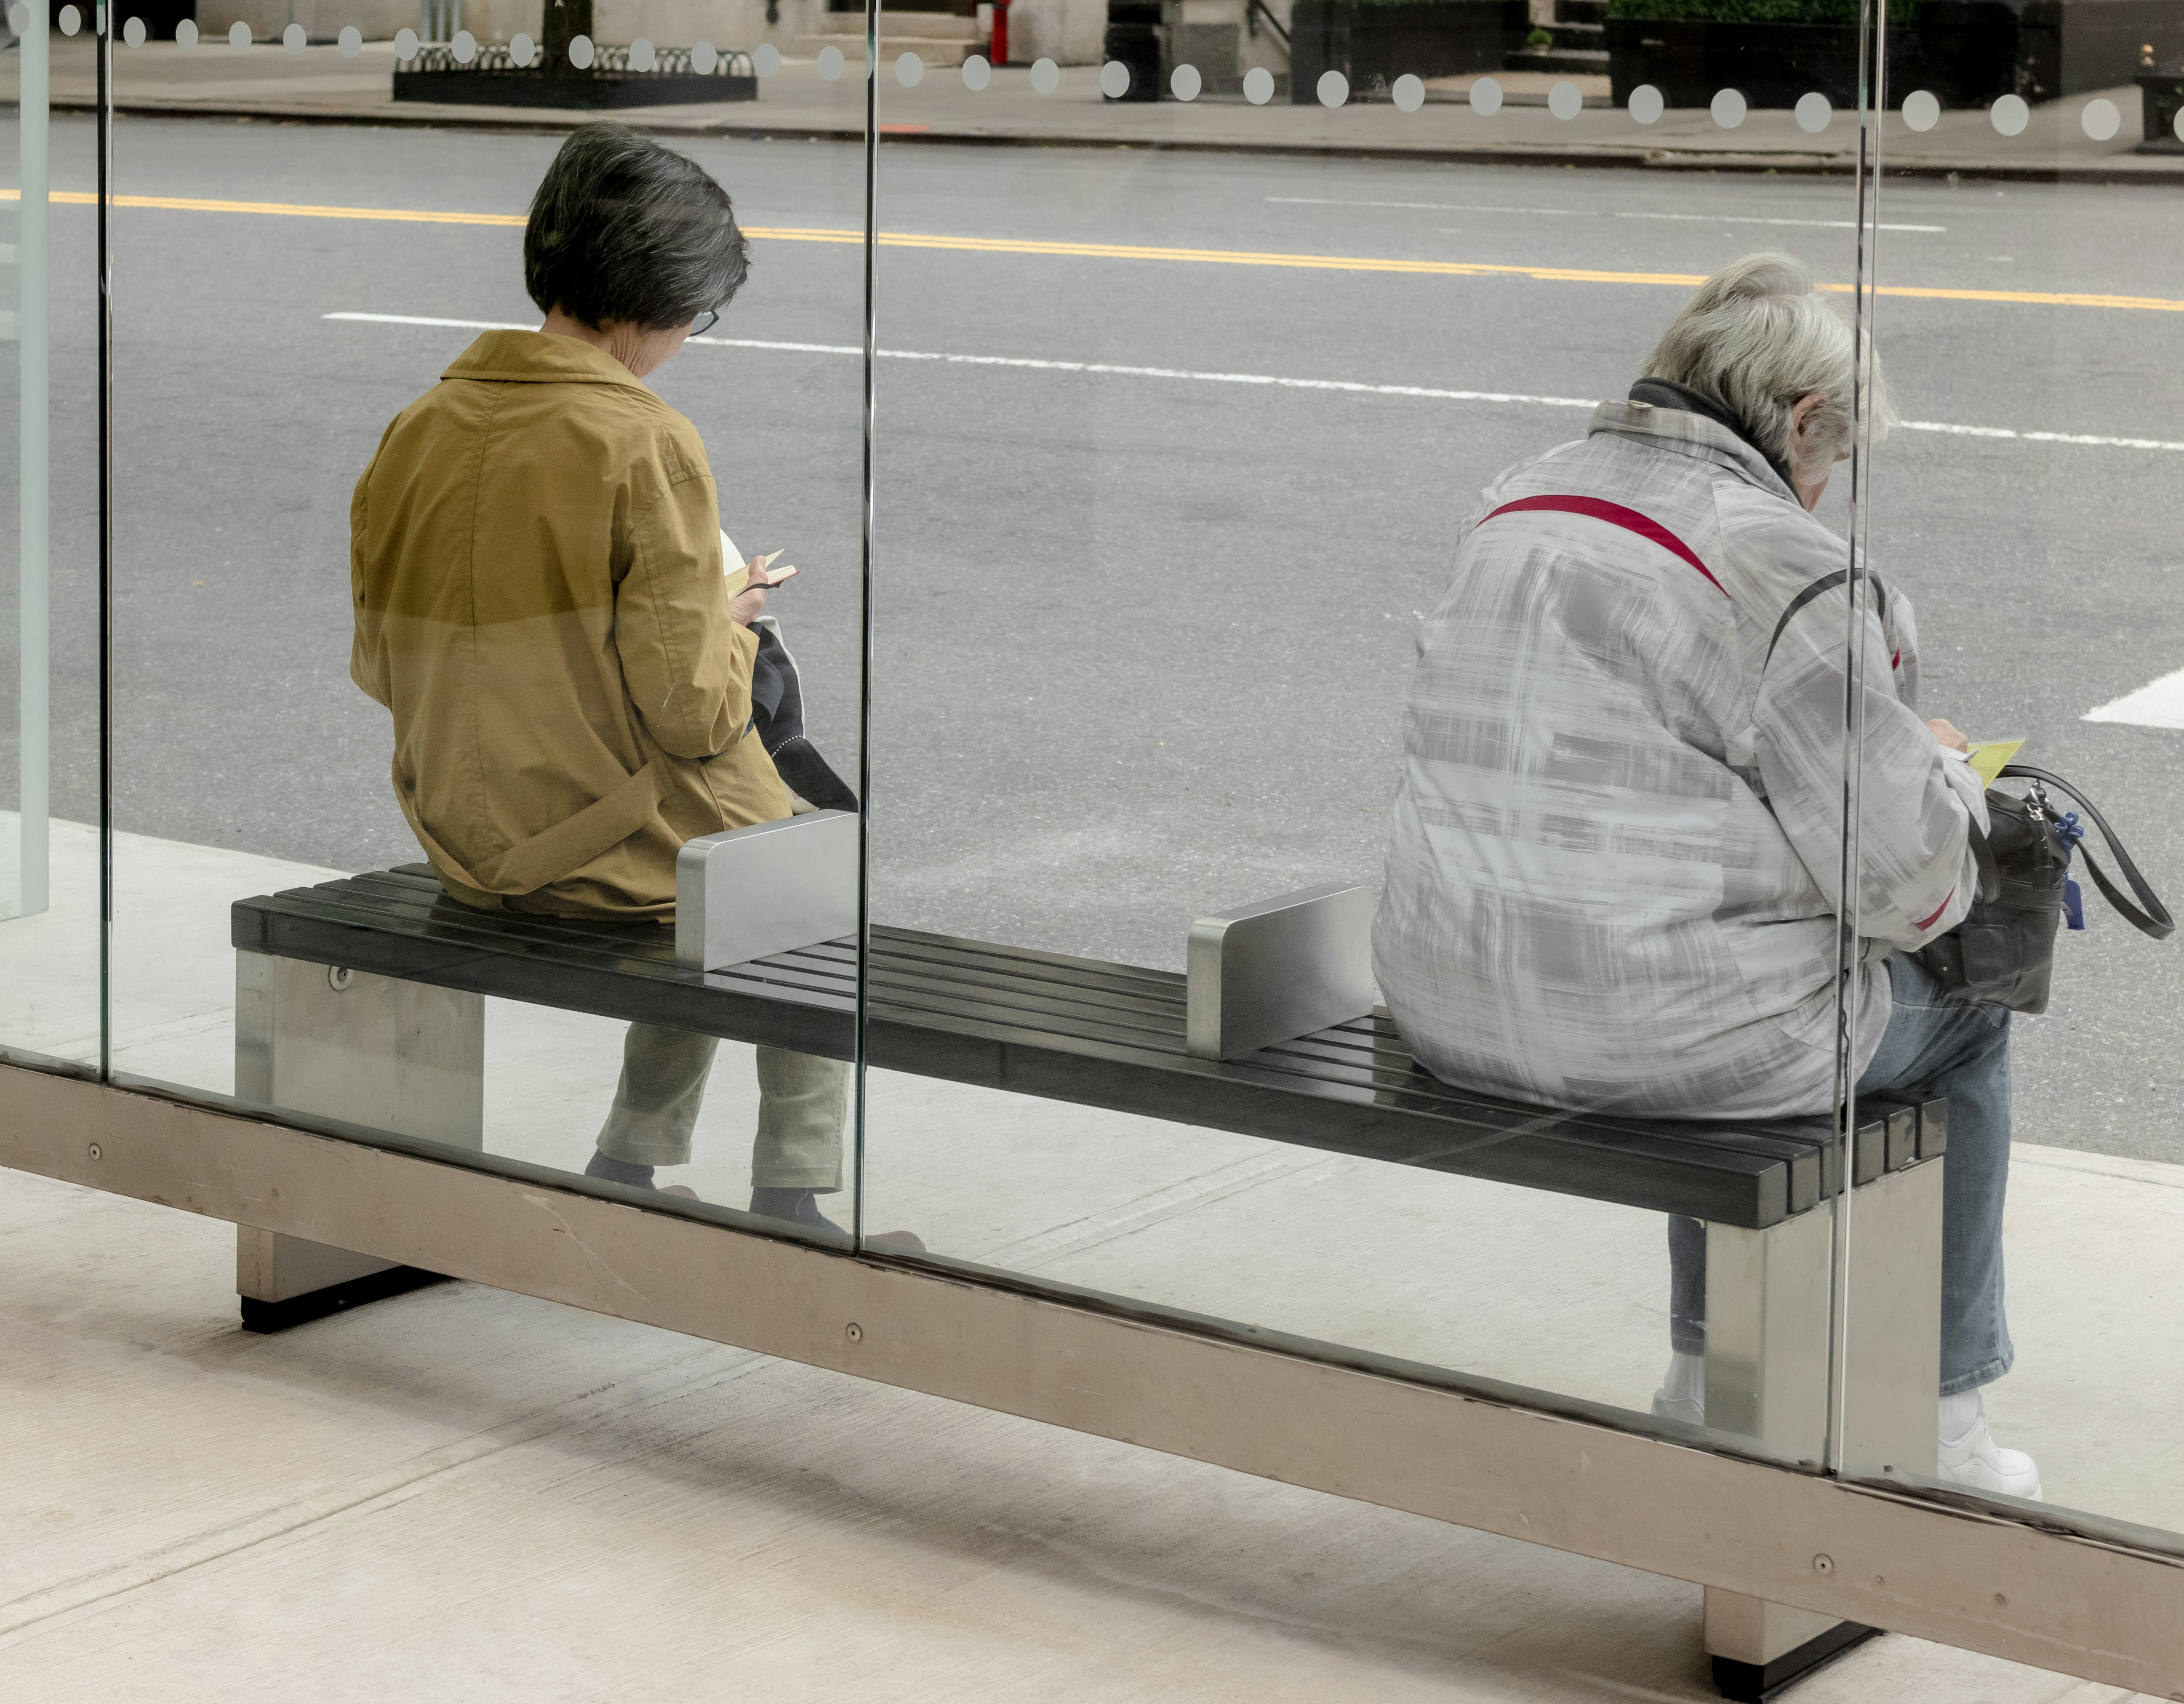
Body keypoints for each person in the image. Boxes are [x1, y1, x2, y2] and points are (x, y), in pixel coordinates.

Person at [1371, 252, 2035, 1497]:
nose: (1831, 490)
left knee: (1695, 948)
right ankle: (1947, 1418)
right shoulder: (1779, 563)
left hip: (1442, 1002)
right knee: (1967, 1014)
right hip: (1645, 1039)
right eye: (1836, 457)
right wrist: (1944, 770)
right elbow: (1916, 891)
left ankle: (1700, 1377)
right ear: (1797, 424)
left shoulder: (1519, 498)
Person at [348, 122, 875, 1241]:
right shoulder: (647, 442)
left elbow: (381, 662)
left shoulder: (417, 425)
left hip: (455, 831)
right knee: (800, 868)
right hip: (589, 855)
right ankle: (795, 1194)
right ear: (664, 303)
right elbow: (693, 710)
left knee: (728, 849)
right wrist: (728, 622)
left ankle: (630, 1162)